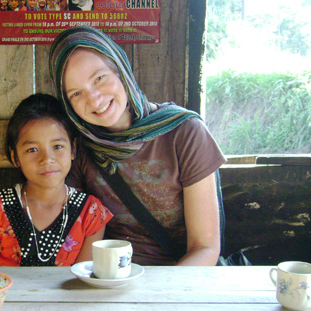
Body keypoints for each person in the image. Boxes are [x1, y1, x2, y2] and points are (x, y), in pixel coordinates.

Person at [49, 26, 227, 266]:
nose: (94, 99)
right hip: (109, 282)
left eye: (99, 78)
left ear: (121, 70)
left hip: (179, 281)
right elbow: (70, 237)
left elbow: (204, 248)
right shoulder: (79, 149)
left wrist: (157, 299)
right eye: (76, 93)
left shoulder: (184, 133)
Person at [0, 93, 113, 266]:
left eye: (57, 147)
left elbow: (82, 287)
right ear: (15, 156)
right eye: (32, 149)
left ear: (73, 150)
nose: (47, 159)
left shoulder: (91, 213)